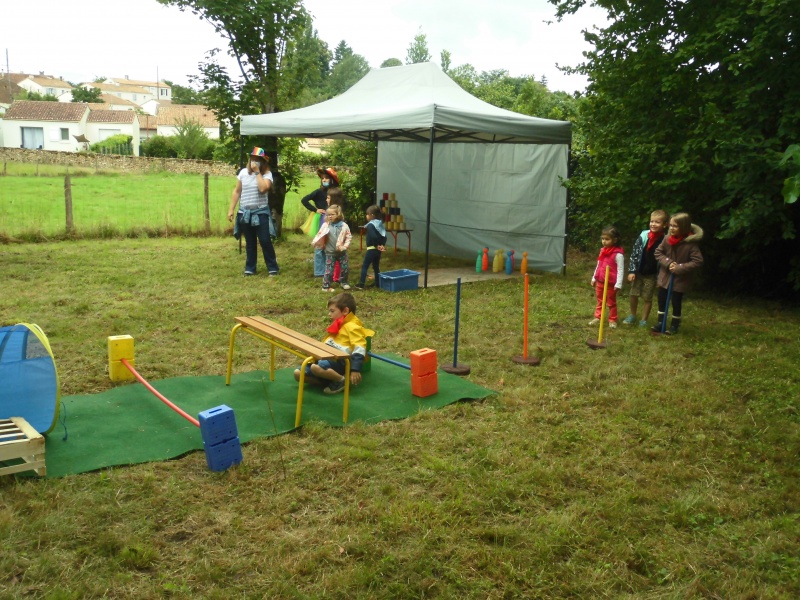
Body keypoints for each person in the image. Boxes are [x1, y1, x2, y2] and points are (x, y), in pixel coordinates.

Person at [293, 292, 375, 394]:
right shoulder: (338, 324)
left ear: (345, 311)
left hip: (340, 360)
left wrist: (355, 369)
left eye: (332, 311)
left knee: (316, 367)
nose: (329, 314)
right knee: (297, 373)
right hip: (326, 357)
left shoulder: (352, 326)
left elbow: (360, 347)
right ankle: (327, 380)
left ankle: (342, 381)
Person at [227, 147, 279, 276]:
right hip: (245, 213)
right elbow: (237, 191)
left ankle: (273, 268)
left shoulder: (267, 174)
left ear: (263, 162)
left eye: (257, 160)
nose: (254, 162)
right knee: (250, 242)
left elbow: (263, 189)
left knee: (265, 240)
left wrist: (257, 173)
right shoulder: (243, 173)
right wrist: (231, 209)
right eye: (253, 159)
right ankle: (250, 268)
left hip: (260, 213)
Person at [652, 212, 704, 335]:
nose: (671, 228)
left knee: (676, 301)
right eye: (670, 225)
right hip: (665, 277)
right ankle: (661, 322)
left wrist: (679, 267)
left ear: (684, 227)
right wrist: (668, 263)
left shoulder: (690, 244)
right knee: (662, 299)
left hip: (680, 280)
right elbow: (658, 253)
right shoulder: (667, 239)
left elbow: (698, 261)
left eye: (675, 226)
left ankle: (674, 325)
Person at [622, 210, 669, 327]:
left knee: (648, 297)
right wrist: (632, 271)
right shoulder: (644, 235)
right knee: (633, 294)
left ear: (665, 225)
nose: (653, 224)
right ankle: (632, 315)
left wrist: (660, 277)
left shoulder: (666, 240)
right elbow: (635, 253)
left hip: (652, 274)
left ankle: (644, 320)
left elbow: (665, 260)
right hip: (639, 272)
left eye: (657, 222)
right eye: (652, 221)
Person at [301, 167, 339, 277]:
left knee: (331, 244)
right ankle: (319, 271)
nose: (324, 180)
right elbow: (304, 200)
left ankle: (331, 269)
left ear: (332, 180)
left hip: (334, 220)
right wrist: (315, 209)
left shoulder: (336, 192)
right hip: (322, 219)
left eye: (327, 178)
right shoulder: (318, 192)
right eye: (322, 178)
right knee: (320, 244)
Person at [589, 225, 625, 329]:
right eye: (603, 239)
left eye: (607, 239)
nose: (604, 241)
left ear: (615, 240)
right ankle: (598, 317)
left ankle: (612, 319)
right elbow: (599, 264)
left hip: (610, 284)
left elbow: (620, 270)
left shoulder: (618, 254)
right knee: (600, 300)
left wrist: (618, 284)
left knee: (611, 302)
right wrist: (594, 277)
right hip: (600, 281)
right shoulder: (602, 251)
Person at [312, 203, 352, 292]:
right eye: (328, 215)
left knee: (345, 268)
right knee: (329, 270)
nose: (330, 216)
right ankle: (325, 286)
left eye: (332, 214)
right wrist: (316, 243)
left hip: (342, 252)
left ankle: (344, 282)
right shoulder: (326, 225)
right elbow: (319, 235)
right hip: (330, 252)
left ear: (338, 214)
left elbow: (349, 237)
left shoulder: (344, 226)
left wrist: (345, 247)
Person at [355, 205, 387, 289]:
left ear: (371, 215)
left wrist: (377, 245)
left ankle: (361, 284)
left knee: (365, 266)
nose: (366, 216)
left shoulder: (371, 225)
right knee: (376, 266)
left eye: (367, 214)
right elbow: (384, 236)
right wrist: (382, 245)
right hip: (378, 250)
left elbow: (373, 237)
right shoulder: (380, 224)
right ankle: (377, 283)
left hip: (372, 249)